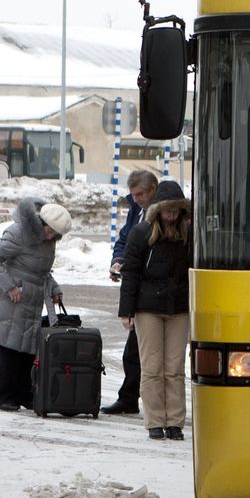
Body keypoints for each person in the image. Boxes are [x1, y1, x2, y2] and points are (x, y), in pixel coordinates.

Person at [0, 198, 72, 412]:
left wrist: (54, 288)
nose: (51, 236)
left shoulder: (49, 239)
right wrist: (10, 286)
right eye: (49, 231)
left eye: (56, 234)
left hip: (32, 298)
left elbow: (42, 270)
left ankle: (23, 393)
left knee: (28, 348)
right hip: (12, 297)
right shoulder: (19, 232)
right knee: (9, 348)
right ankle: (0, 397)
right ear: (41, 222)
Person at [117, 181, 192, 441]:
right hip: (147, 307)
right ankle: (154, 421)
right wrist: (126, 311)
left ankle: (175, 422)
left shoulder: (189, 235)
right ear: (158, 210)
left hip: (179, 308)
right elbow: (130, 273)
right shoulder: (141, 233)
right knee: (151, 368)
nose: (171, 216)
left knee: (174, 368)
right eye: (167, 210)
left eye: (176, 211)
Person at [102, 169, 158, 415]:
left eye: (140, 194)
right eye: (133, 195)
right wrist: (118, 260)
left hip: (150, 289)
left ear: (153, 190)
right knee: (133, 351)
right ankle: (128, 398)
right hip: (134, 285)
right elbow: (125, 238)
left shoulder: (162, 214)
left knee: (139, 352)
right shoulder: (137, 210)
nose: (136, 199)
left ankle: (134, 399)